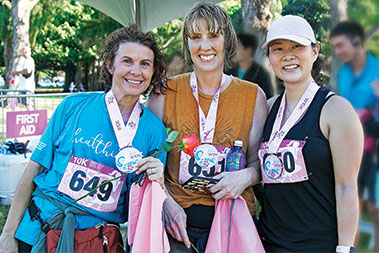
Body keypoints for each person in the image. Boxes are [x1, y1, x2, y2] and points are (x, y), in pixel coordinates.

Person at [0, 25, 168, 252]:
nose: (136, 71)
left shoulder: (155, 132)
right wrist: (8, 234)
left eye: (145, 64)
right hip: (40, 229)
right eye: (127, 61)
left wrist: (154, 184)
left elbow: (138, 207)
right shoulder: (72, 106)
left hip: (98, 241)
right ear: (110, 65)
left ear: (153, 71)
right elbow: (34, 169)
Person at [147, 2, 267, 252]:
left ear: (227, 40)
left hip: (234, 221)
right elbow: (149, 163)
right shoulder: (163, 92)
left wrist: (245, 176)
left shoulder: (253, 96)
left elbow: (258, 164)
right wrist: (166, 204)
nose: (204, 46)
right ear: (187, 43)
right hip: (176, 224)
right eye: (195, 37)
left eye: (213, 36)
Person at [257, 15, 363, 252]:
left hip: (317, 246)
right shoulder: (267, 108)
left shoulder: (336, 110)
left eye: (297, 46)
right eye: (278, 49)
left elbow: (346, 187)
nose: (288, 55)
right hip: (268, 244)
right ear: (270, 58)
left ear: (314, 52)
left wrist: (345, 248)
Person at [330, 21, 379, 249]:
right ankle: (352, 246)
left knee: (375, 203)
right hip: (351, 148)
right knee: (352, 201)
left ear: (357, 41)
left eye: (341, 45)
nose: (338, 52)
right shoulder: (343, 74)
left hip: (375, 147)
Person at [226, 32, 274, 99]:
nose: (233, 51)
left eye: (237, 47)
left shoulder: (261, 74)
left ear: (248, 50)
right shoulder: (229, 73)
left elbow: (268, 99)